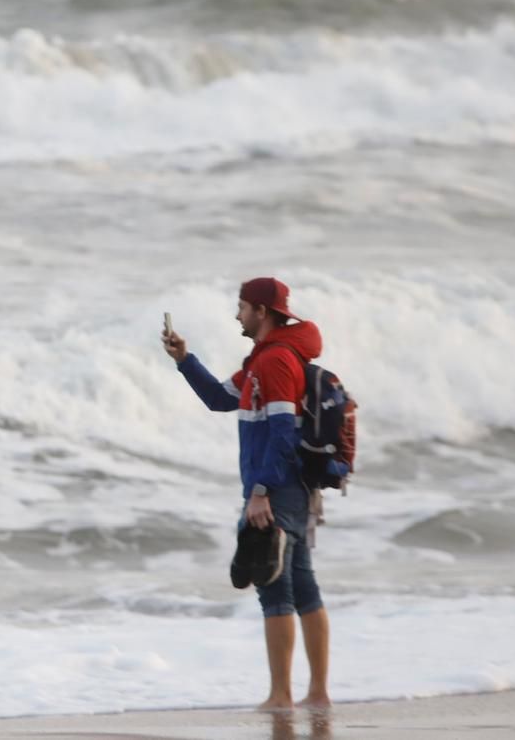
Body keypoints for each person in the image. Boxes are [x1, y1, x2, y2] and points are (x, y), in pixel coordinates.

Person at [161, 277, 332, 711]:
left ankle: (282, 696)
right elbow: (220, 398)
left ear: (262, 311)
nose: (236, 315)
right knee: (303, 587)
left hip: (277, 488)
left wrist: (260, 492)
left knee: (274, 589)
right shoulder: (262, 360)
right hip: (287, 487)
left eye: (241, 307)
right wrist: (184, 359)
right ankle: (316, 694)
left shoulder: (275, 362)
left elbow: (281, 433)